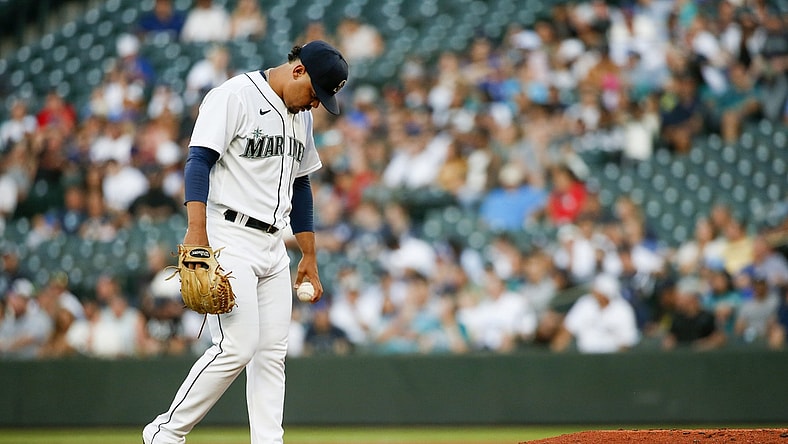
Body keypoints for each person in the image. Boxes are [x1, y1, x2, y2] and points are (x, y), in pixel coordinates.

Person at [142, 40, 348, 444]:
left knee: (272, 354)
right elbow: (198, 161)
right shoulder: (233, 95)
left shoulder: (301, 118)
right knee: (236, 346)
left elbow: (301, 185)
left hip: (275, 245)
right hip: (228, 233)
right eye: (314, 94)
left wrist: (308, 253)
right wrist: (196, 231)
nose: (315, 105)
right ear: (299, 70)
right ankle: (165, 433)